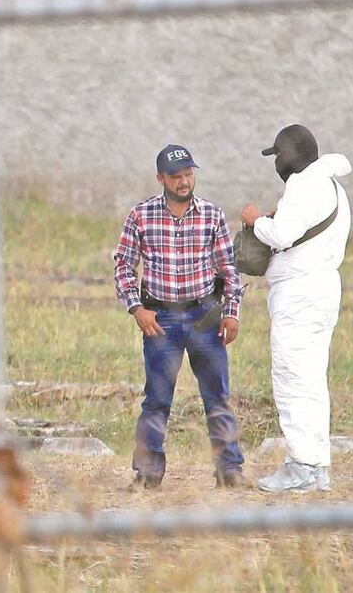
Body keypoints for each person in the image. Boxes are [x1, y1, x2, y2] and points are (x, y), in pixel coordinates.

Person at [113, 144, 247, 490]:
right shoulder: (140, 216)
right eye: (176, 176)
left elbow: (228, 269)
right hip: (161, 320)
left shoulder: (212, 215)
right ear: (161, 178)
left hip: (205, 316)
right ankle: (148, 473)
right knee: (157, 398)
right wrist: (136, 308)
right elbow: (124, 265)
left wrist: (231, 313)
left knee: (217, 395)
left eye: (188, 174)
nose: (184, 181)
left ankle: (229, 469)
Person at [241, 124, 351, 493]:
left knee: (292, 379)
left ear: (287, 158)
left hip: (300, 293)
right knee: (313, 381)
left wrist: (256, 220)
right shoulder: (333, 187)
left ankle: (302, 467)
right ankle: (316, 467)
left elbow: (281, 235)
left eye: (277, 156)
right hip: (322, 289)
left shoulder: (304, 186)